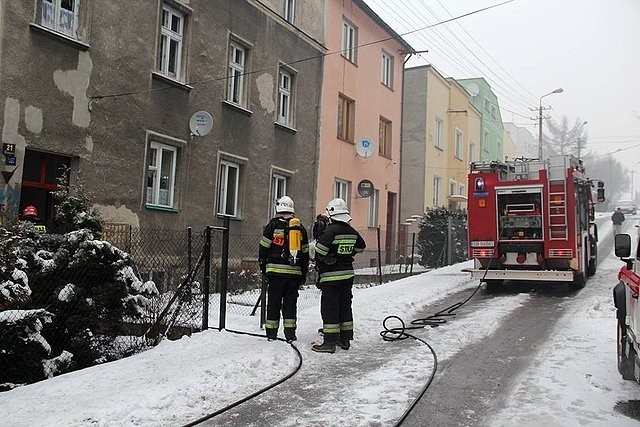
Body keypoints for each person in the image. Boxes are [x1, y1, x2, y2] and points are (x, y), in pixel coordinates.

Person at [312, 198, 366, 353]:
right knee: (344, 306)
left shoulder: (331, 230)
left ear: (332, 213)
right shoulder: (351, 231)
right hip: (347, 275)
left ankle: (329, 343)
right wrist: (347, 253)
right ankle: (345, 339)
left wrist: (332, 254)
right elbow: (361, 247)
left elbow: (320, 251)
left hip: (331, 277)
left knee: (330, 308)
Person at [258, 196, 309, 342]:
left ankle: (271, 334)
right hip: (294, 274)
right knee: (290, 304)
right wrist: (303, 273)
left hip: (275, 273)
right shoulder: (300, 229)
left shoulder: (272, 226)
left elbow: (264, 248)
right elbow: (305, 254)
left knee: (273, 302)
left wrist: (263, 266)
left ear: (279, 209)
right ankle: (290, 334)